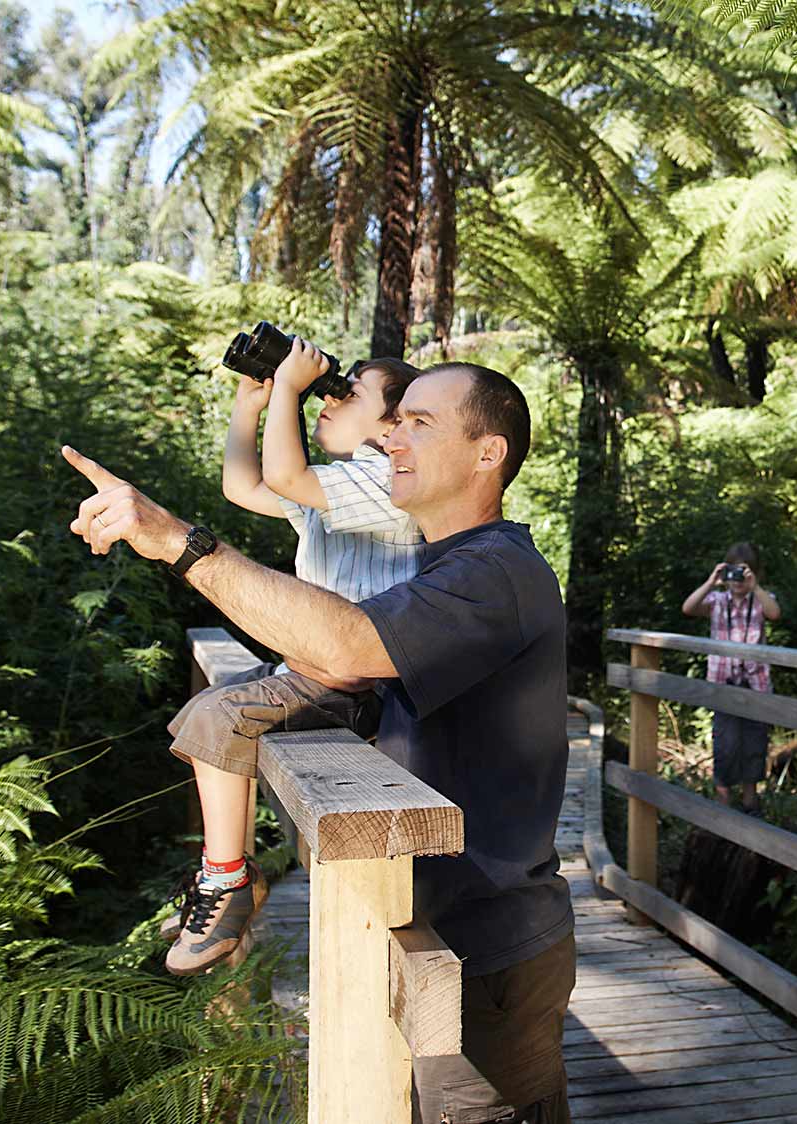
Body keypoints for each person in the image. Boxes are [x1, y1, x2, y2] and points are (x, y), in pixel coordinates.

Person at [62, 360, 575, 1124]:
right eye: (395, 421)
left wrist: (179, 541)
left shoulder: (495, 571)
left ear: (487, 454)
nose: (394, 436)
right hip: (430, 923)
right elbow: (339, 649)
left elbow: (346, 644)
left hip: (487, 952)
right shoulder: (444, 565)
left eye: (420, 423)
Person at [160, 339, 424, 974]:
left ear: (392, 426)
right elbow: (243, 484)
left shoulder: (384, 481)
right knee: (207, 710)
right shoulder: (339, 489)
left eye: (349, 393)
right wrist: (250, 405)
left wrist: (288, 388)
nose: (327, 400)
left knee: (217, 719)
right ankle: (223, 873)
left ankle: (227, 882)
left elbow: (282, 474)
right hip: (314, 667)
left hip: (356, 682)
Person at [680, 543, 782, 814]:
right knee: (725, 743)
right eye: (733, 572)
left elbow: (775, 613)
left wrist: (755, 586)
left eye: (743, 572)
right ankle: (723, 801)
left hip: (755, 685)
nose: (738, 579)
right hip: (723, 684)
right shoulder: (716, 601)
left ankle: (750, 800)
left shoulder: (760, 600)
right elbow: (688, 608)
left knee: (754, 742)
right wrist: (712, 581)